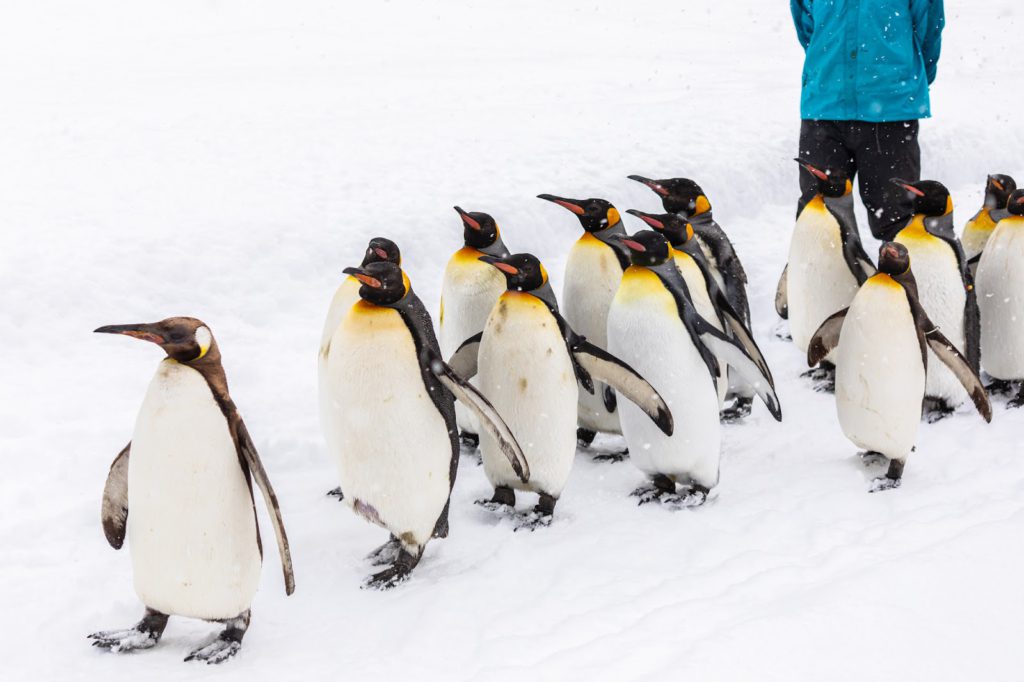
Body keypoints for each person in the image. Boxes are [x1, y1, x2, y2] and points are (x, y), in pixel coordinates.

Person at [791, 0, 945, 241]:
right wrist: (829, 67)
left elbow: (929, 29)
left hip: (890, 115)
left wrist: (900, 81)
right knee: (818, 215)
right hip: (825, 110)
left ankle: (904, 279)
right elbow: (807, 25)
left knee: (898, 220)